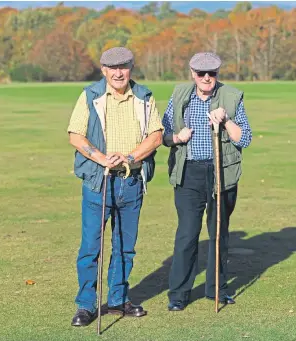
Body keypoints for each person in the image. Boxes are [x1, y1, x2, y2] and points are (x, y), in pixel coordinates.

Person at [67, 47, 163, 326]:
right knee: (90, 248)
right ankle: (86, 305)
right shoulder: (90, 96)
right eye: (112, 68)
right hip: (99, 181)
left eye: (123, 67)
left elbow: (156, 136)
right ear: (104, 70)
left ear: (131, 68)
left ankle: (118, 299)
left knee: (124, 248)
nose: (118, 73)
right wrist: (102, 158)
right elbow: (76, 135)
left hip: (131, 181)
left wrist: (130, 157)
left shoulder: (144, 97)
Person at [161, 52, 252, 311]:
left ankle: (216, 290)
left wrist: (225, 121)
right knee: (187, 234)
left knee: (219, 232)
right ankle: (178, 294)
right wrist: (178, 137)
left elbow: (244, 138)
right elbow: (163, 135)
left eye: (212, 73)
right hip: (188, 173)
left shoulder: (232, 96)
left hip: (221, 172)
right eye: (201, 73)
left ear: (217, 73)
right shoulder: (180, 95)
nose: (206, 78)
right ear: (192, 73)